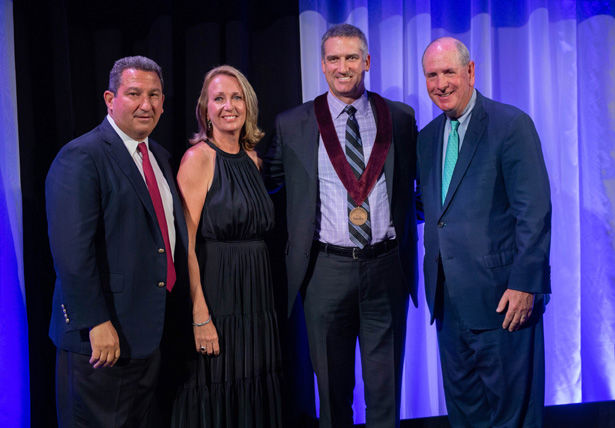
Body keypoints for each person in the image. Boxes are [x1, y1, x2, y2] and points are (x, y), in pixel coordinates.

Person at [264, 24, 420, 428]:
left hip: (386, 267)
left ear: (367, 62)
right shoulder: (294, 122)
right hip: (325, 271)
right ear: (322, 65)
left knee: (385, 391)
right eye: (333, 58)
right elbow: (266, 182)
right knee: (332, 395)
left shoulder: (399, 118)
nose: (342, 66)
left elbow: (415, 186)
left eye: (352, 57)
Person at [46, 56, 188, 428]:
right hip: (101, 343)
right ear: (110, 98)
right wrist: (96, 322)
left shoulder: (158, 156)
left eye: (154, 95)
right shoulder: (82, 156)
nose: (147, 104)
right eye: (134, 94)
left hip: (146, 336)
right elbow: (72, 254)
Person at [418, 37, 551, 427]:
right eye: (431, 75)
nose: (440, 83)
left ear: (470, 72)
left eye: (449, 72)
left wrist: (525, 285)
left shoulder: (511, 125)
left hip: (504, 301)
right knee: (465, 414)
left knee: (513, 416)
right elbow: (434, 209)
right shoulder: (427, 138)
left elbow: (535, 212)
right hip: (448, 302)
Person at [170, 65, 283, 428]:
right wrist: (199, 315)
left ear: (247, 105)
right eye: (219, 98)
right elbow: (183, 244)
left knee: (254, 394)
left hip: (257, 300)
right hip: (218, 299)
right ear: (206, 109)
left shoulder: (254, 159)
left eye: (236, 98)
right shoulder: (198, 158)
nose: (228, 106)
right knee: (217, 390)